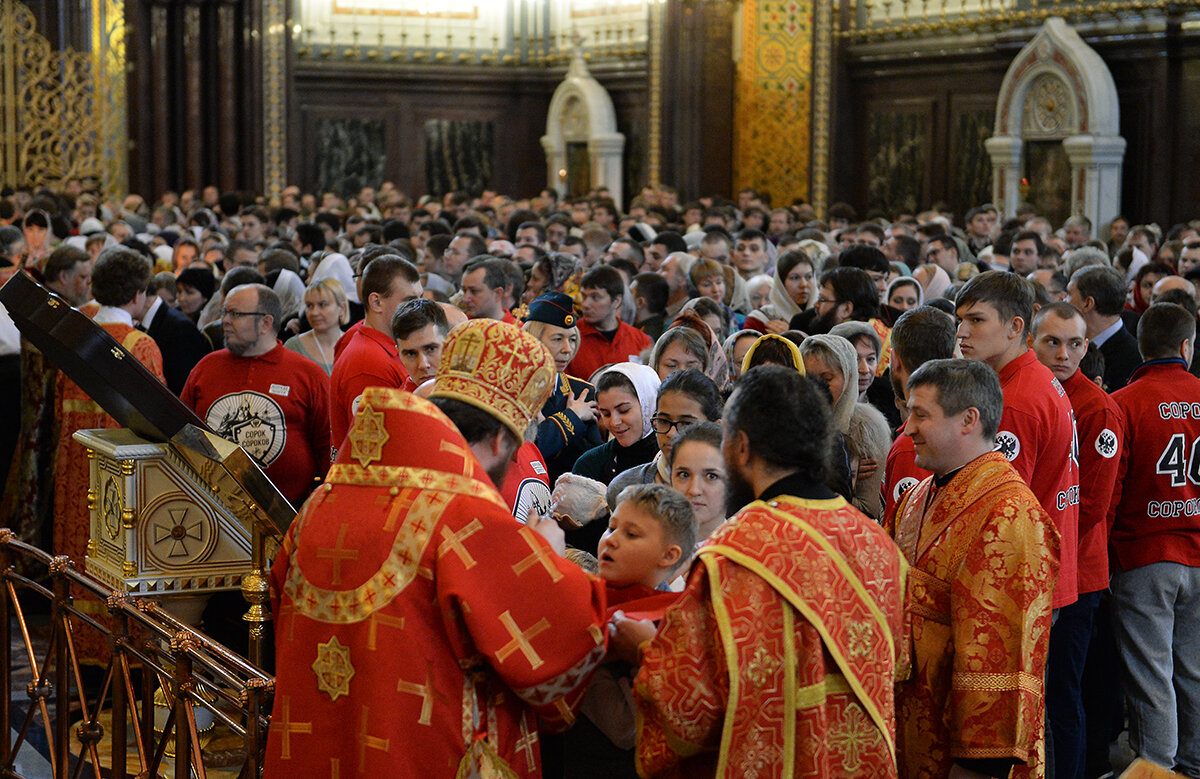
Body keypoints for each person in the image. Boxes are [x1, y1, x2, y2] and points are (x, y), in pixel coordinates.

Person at [264, 320, 608, 778]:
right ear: (502, 441)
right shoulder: (469, 518)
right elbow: (554, 652)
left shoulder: (322, 502)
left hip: (320, 748)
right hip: (430, 754)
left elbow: (274, 602)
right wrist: (545, 554)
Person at [629, 366, 907, 776]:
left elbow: (688, 713)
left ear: (740, 447)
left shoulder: (732, 554)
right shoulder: (879, 545)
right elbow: (897, 670)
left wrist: (640, 649)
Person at [890, 358, 1060, 779]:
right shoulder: (919, 495)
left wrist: (978, 765)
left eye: (921, 414)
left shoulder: (1011, 515)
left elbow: (1004, 653)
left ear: (968, 420)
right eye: (908, 412)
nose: (908, 427)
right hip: (912, 735)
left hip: (967, 760)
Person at [1029, 302, 1125, 779]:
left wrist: (1039, 553)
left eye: (1074, 343)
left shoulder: (1096, 408)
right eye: (1052, 342)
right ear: (1032, 343)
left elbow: (1092, 507)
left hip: (1077, 574)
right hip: (1039, 569)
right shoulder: (1033, 395)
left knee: (1063, 693)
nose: (1063, 353)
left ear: (1087, 346)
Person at [1107, 303, 1200, 776]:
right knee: (1195, 671)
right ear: (1186, 347)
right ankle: (1194, 765)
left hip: (1144, 554)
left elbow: (1113, 489)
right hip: (1198, 553)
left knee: (1151, 676)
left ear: (1143, 345)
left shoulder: (1125, 401)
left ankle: (1156, 769)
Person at [562, 484, 693, 778]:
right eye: (611, 528)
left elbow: (625, 728)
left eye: (631, 534)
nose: (611, 541)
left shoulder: (666, 623)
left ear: (669, 556)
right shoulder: (591, 599)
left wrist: (588, 656)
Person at [182, 284, 331, 508]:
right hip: (213, 510)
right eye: (224, 312)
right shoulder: (206, 368)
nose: (225, 321)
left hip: (290, 513)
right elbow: (182, 436)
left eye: (236, 314)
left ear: (265, 323)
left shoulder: (307, 374)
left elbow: (327, 446)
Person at [329, 256, 422, 453]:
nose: (418, 309)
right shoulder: (368, 363)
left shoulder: (383, 348)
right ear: (376, 302)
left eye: (421, 298)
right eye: (410, 301)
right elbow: (373, 450)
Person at [800, 334, 893, 521]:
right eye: (808, 378)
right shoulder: (794, 421)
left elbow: (869, 510)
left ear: (849, 377)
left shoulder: (866, 426)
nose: (816, 387)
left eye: (827, 378)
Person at [881, 306, 957, 524]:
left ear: (894, 360)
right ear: (952, 358)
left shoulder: (913, 444)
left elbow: (903, 531)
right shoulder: (962, 424)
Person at [606, 369, 722, 509]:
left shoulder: (733, 492)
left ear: (715, 428)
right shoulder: (626, 488)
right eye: (663, 421)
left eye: (686, 424)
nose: (671, 433)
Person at [523, 292, 603, 483]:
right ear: (533, 340)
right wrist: (572, 417)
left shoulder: (582, 391)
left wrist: (550, 430)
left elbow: (592, 459)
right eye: (558, 339)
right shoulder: (516, 389)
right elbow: (530, 450)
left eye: (572, 339)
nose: (568, 349)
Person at [568, 265, 652, 380]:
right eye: (584, 296)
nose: (586, 304)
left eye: (595, 297)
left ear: (616, 301)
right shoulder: (569, 337)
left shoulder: (640, 341)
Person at [667, 421, 728, 545]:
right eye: (684, 475)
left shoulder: (746, 556)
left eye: (711, 476)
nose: (694, 490)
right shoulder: (648, 547)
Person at [284, 278, 348, 375]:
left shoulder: (353, 345)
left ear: (342, 308)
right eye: (309, 306)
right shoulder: (293, 347)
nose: (314, 312)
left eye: (322, 305)